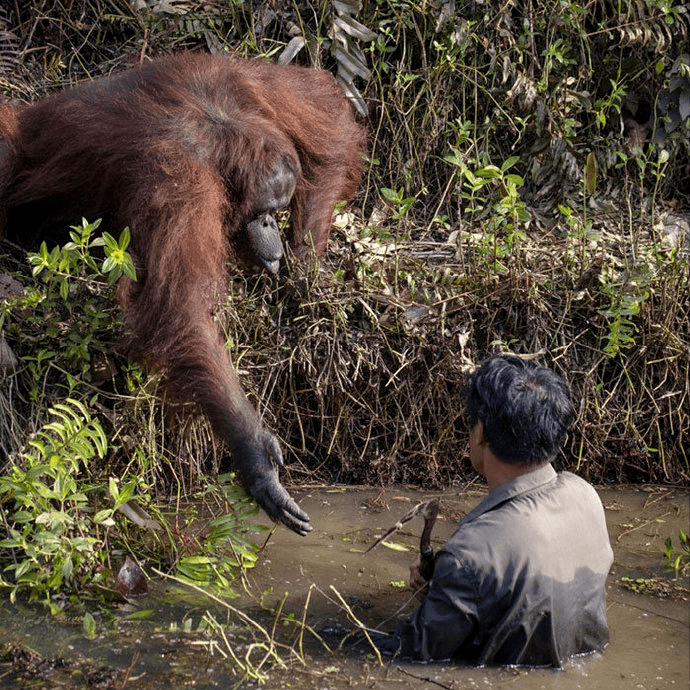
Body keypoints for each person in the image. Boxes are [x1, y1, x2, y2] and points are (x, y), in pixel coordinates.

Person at [370, 355, 614, 667]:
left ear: (481, 432)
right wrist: (446, 584)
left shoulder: (471, 554)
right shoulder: (585, 495)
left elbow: (413, 654)